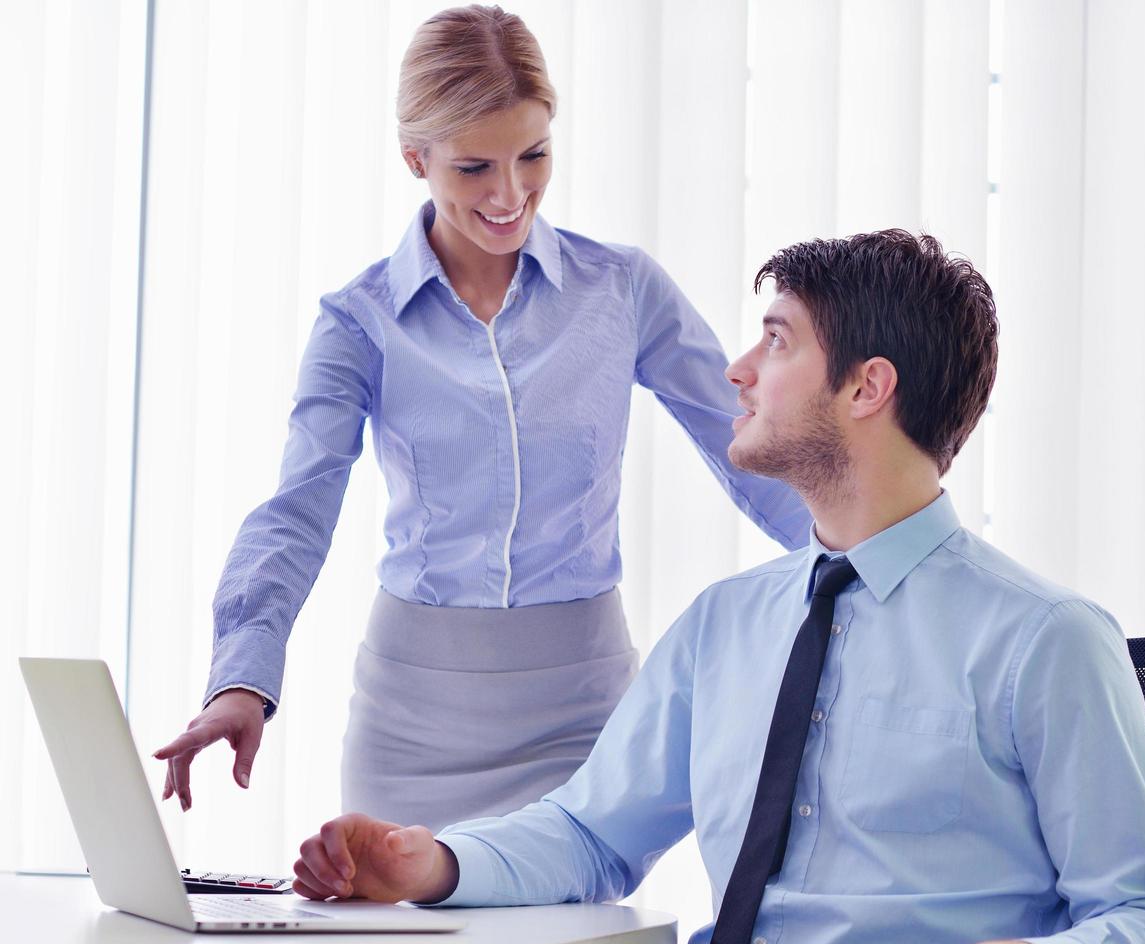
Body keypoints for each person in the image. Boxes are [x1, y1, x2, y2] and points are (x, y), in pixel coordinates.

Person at [291, 230, 1145, 944]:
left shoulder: (1042, 642)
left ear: (865, 386)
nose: (736, 370)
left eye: (776, 340)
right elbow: (588, 834)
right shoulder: (723, 625)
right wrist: (436, 864)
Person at [152, 4, 808, 834]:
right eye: (472, 168)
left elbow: (750, 446)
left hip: (584, 717)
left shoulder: (623, 290)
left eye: (533, 156)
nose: (509, 195)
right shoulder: (359, 321)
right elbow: (297, 508)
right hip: (412, 724)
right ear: (414, 157)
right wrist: (240, 679)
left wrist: (880, 567)